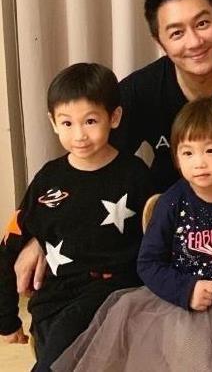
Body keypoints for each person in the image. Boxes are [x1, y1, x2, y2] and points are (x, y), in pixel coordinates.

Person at [16, 0, 212, 295]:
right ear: (159, 41)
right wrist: (41, 234)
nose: (194, 41)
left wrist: (209, 196)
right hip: (170, 222)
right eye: (176, 33)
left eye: (202, 23)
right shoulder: (139, 91)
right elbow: (88, 166)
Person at [53, 97, 212, 372]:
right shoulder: (172, 201)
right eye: (188, 153)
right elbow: (148, 263)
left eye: (211, 150)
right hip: (179, 308)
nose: (199, 163)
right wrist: (187, 290)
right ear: (176, 156)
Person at [0, 63, 155, 371]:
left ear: (114, 117)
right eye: (67, 123)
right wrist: (6, 320)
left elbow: (159, 240)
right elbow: (9, 247)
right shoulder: (48, 180)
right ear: (53, 122)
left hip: (121, 293)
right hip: (58, 300)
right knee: (61, 347)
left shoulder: (135, 174)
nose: (79, 135)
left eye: (91, 121)